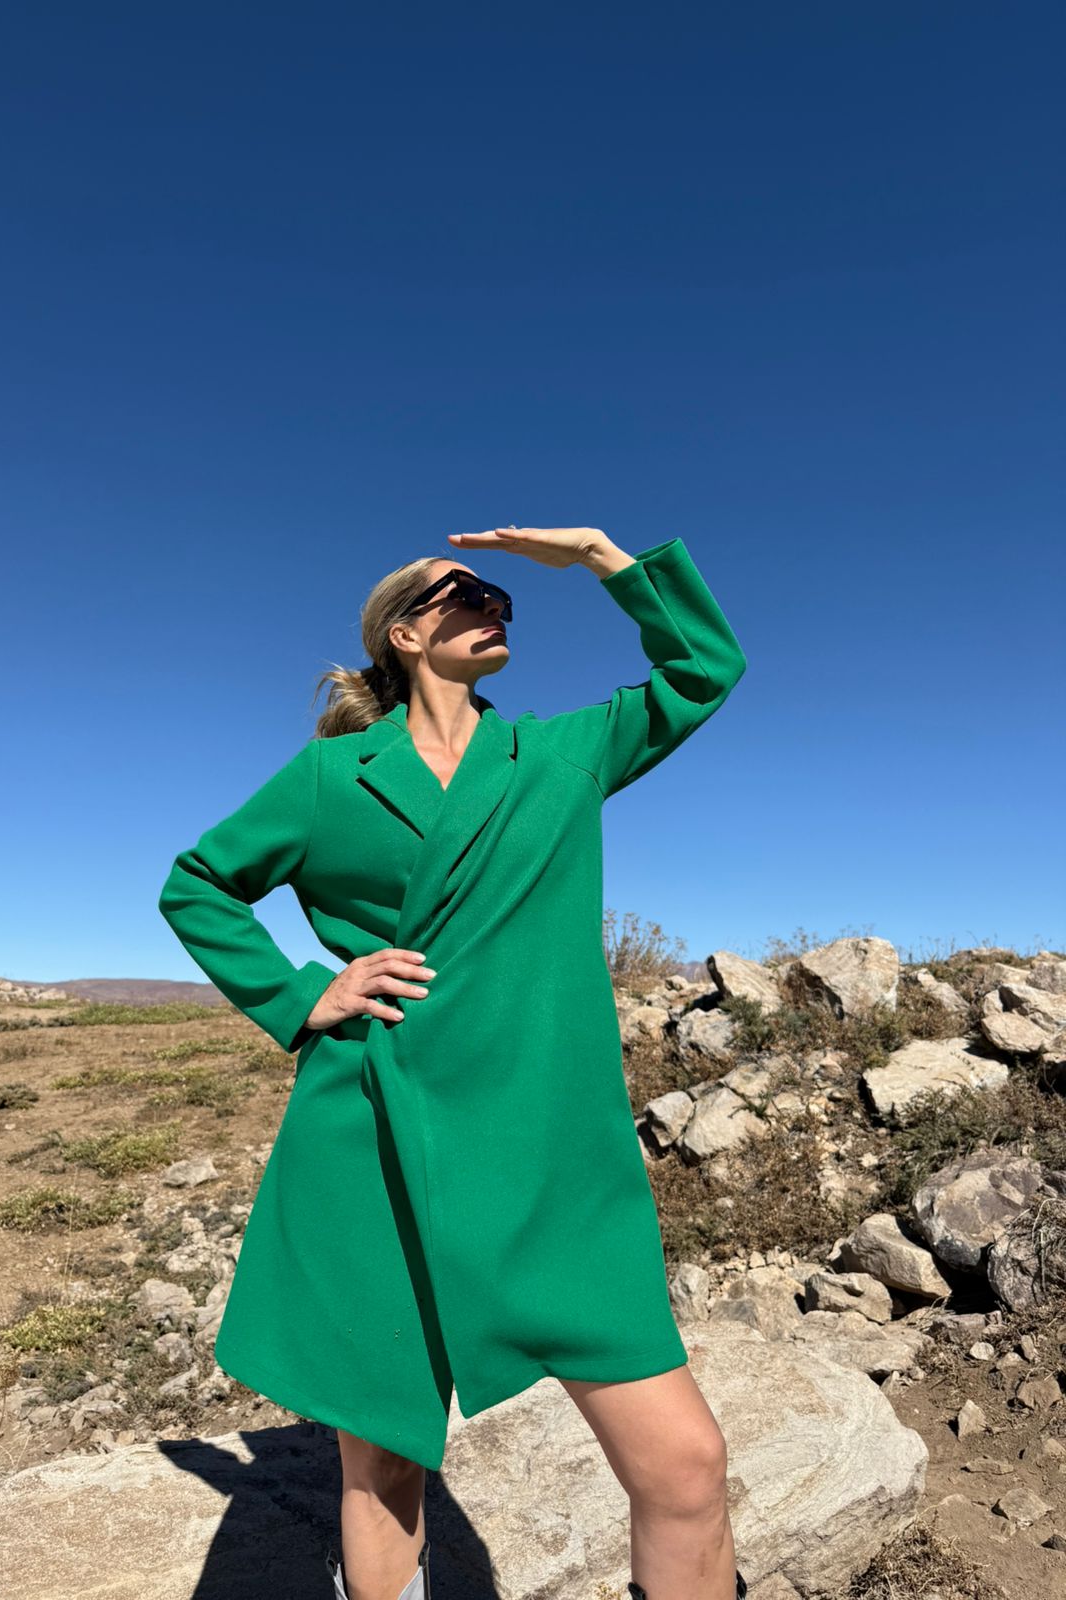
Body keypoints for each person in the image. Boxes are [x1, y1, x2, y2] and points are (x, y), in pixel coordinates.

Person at [158, 525, 749, 1600]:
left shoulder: (564, 753)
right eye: (466, 591)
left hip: (552, 1157)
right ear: (403, 633)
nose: (493, 606)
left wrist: (603, 559)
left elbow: (705, 669)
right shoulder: (330, 777)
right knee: (384, 1464)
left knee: (686, 1467)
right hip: (375, 1142)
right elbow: (198, 884)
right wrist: (303, 993)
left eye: (502, 598)